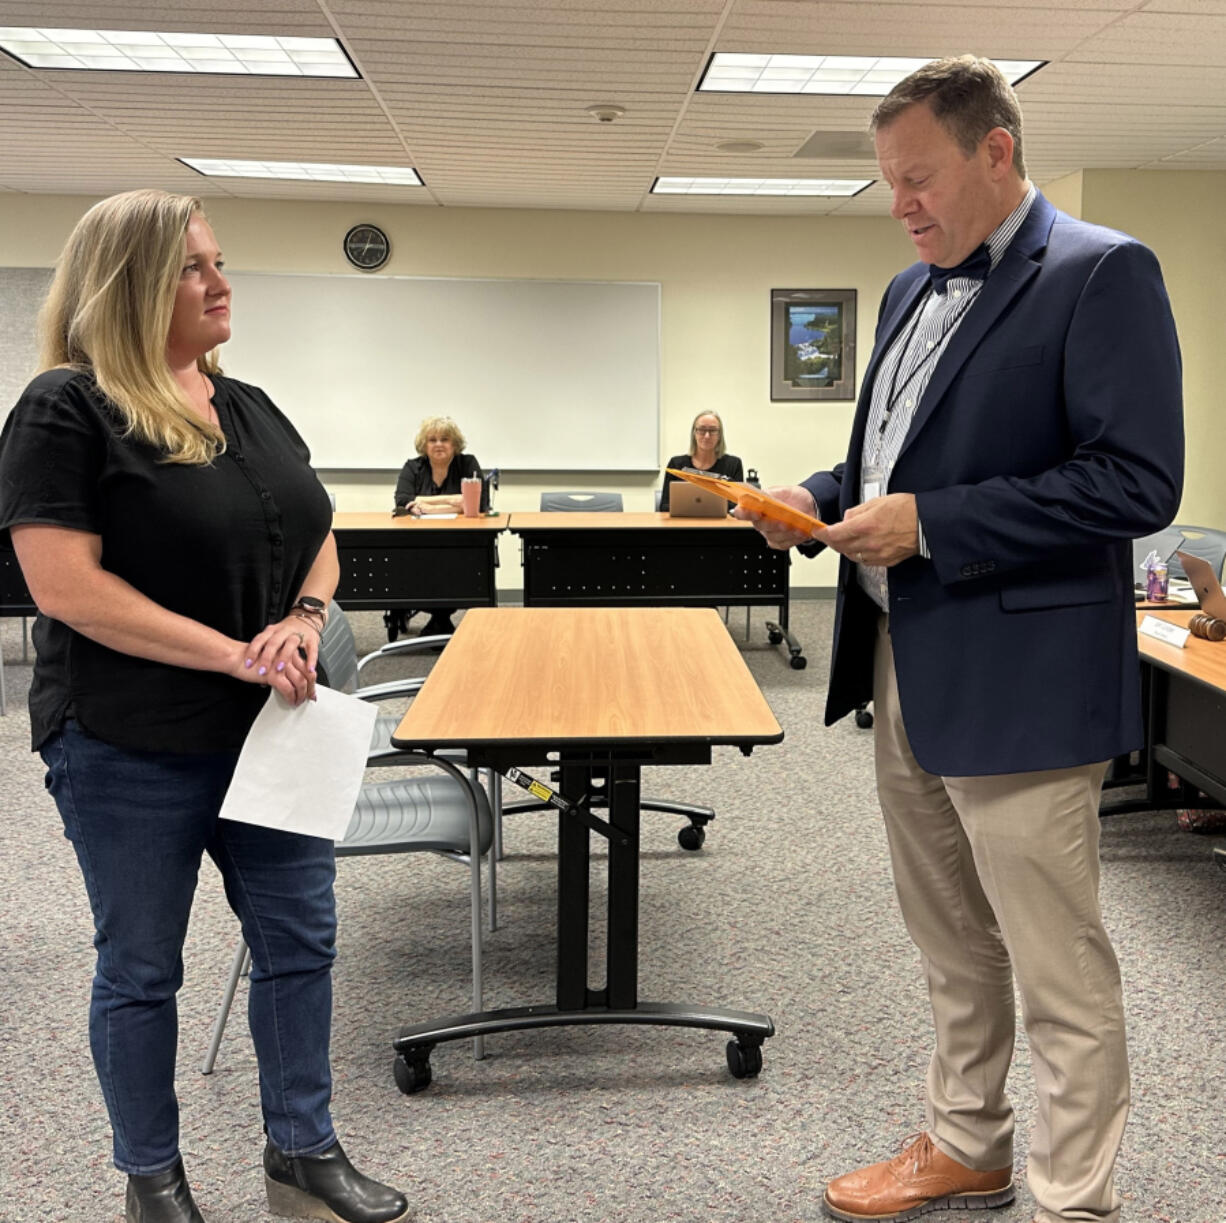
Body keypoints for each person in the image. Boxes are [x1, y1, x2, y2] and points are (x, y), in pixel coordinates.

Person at [739, 57, 1183, 1223]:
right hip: (905, 664)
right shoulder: (902, 291)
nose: (901, 204)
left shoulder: (1100, 271)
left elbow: (1132, 480)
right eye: (888, 183)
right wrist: (815, 494)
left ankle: (1071, 1193)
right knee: (948, 940)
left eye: (918, 177)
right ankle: (966, 1141)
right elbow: (897, 464)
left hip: (1026, 677)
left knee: (1054, 959)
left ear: (995, 151)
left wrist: (929, 524)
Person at [0, 190, 410, 1223]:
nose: (222, 284)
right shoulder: (66, 407)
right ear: (130, 283)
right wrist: (233, 650)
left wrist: (307, 618)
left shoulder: (249, 404)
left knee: (299, 941)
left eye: (219, 262)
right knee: (142, 964)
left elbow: (317, 531)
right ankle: (153, 1176)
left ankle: (303, 1149)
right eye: (194, 267)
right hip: (129, 738)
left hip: (272, 730)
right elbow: (67, 589)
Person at [392, 415, 488, 638]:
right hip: (419, 540)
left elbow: (479, 504)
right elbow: (402, 500)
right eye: (432, 440)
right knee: (424, 562)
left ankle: (440, 617)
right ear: (424, 445)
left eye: (444, 439)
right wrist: (455, 502)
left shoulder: (467, 464)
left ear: (454, 444)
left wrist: (425, 502)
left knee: (453, 563)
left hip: (462, 540)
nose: (438, 444)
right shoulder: (413, 467)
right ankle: (440, 617)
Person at [658, 411, 744, 511]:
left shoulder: (733, 464)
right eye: (702, 430)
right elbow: (664, 506)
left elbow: (738, 505)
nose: (707, 436)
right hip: (683, 524)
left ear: (719, 435)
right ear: (694, 433)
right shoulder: (676, 464)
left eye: (712, 430)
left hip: (721, 524)